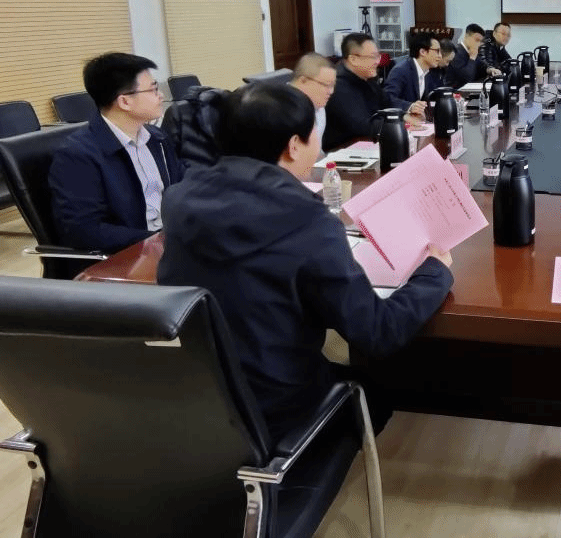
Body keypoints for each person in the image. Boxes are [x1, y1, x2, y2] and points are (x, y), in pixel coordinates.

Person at [157, 82, 453, 441]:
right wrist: (435, 273)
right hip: (277, 409)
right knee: (376, 391)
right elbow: (378, 331)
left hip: (191, 397)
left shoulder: (179, 198)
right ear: (294, 145)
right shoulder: (306, 220)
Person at [49, 52, 185, 254]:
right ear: (125, 102)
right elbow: (84, 230)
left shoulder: (157, 139)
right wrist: (158, 240)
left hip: (171, 241)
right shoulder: (77, 155)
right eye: (153, 89)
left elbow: (183, 185)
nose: (161, 96)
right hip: (131, 254)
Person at [323, 32, 423, 150]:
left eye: (378, 56)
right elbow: (362, 126)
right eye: (372, 57)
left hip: (370, 145)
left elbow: (387, 101)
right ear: (353, 59)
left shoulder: (366, 78)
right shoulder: (338, 85)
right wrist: (401, 122)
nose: (377, 62)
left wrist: (408, 109)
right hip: (345, 151)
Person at [384, 32, 444, 105]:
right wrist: (410, 106)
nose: (440, 56)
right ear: (422, 52)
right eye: (437, 51)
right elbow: (388, 98)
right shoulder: (401, 70)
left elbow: (433, 95)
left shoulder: (428, 72)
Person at [290, 52, 336, 146]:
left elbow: (317, 149)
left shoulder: (319, 107)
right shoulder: (282, 110)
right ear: (303, 81)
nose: (331, 91)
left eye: (332, 85)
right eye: (326, 85)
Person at [446, 23, 487, 89]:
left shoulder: (472, 51)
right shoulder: (456, 52)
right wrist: (472, 58)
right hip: (454, 90)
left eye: (480, 41)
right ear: (466, 36)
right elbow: (466, 78)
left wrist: (489, 69)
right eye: (476, 40)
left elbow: (482, 67)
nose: (478, 44)